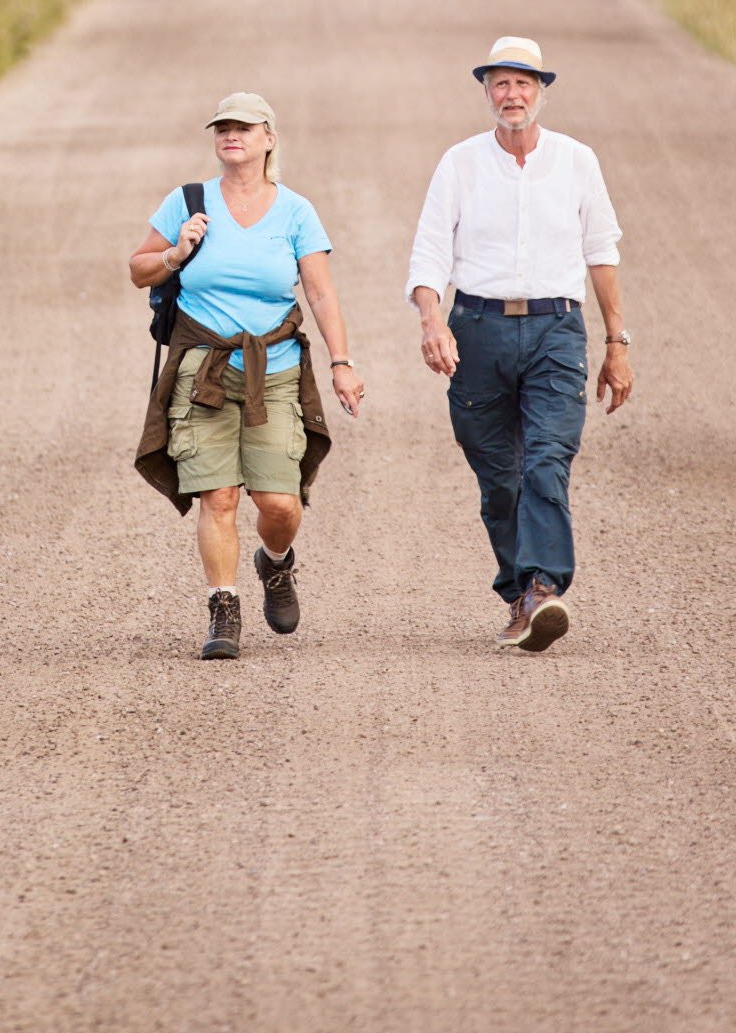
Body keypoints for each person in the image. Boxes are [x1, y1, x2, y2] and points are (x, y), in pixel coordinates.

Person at [406, 35, 630, 653]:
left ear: (541, 92)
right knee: (499, 477)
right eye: (501, 84)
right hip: (478, 329)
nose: (512, 95)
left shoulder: (578, 161)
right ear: (486, 92)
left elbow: (601, 252)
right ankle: (518, 591)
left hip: (558, 328)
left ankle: (543, 588)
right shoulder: (460, 163)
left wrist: (617, 342)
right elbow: (429, 254)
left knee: (546, 459)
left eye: (523, 83)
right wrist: (433, 321)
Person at [132, 92, 365, 660]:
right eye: (222, 128)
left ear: (268, 139)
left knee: (279, 504)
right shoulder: (187, 202)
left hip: (276, 372)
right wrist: (176, 254)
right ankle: (223, 607)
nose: (231, 135)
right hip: (202, 368)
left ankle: (276, 563)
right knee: (219, 496)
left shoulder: (295, 211)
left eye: (244, 127)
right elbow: (139, 269)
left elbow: (320, 291)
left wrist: (341, 362)